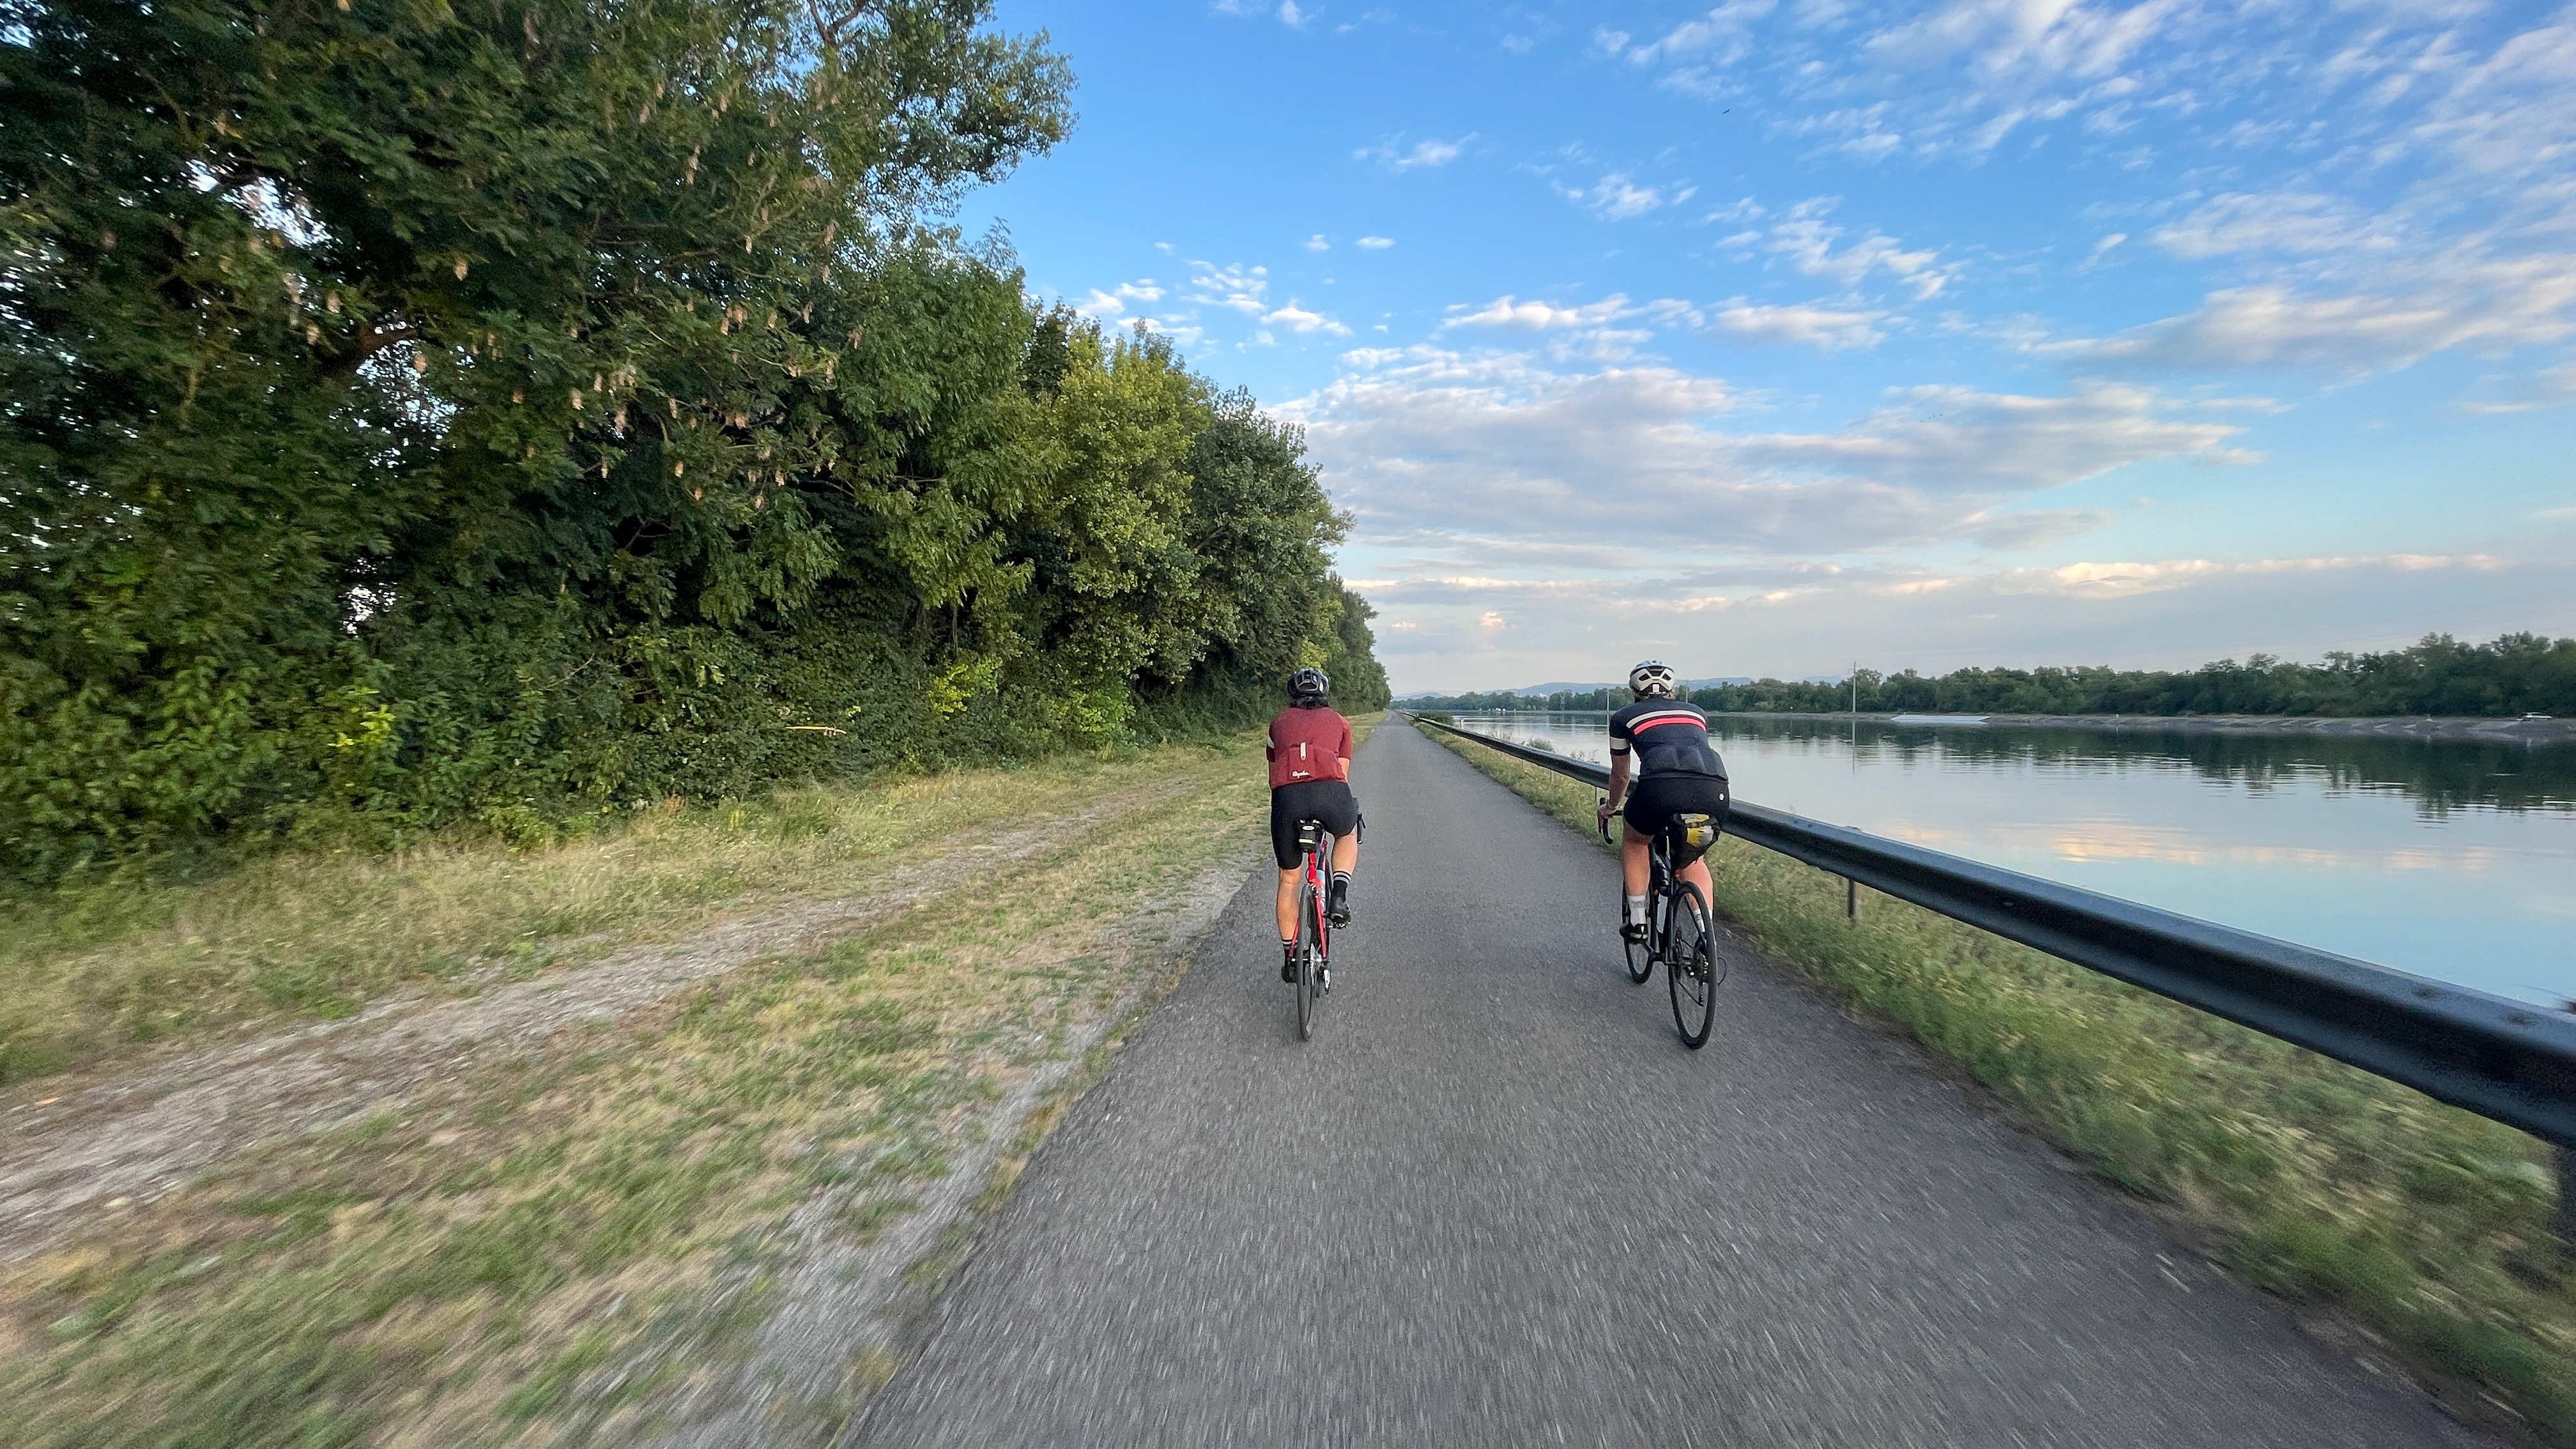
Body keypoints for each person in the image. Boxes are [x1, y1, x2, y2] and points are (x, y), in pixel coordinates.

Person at [1594, 660, 1731, 942]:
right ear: (1672, 691)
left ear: (1634, 691)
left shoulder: (1623, 718)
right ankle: (1707, 939)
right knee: (1693, 859)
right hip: (1714, 788)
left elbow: (1621, 777)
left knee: (1636, 841)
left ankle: (1638, 922)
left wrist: (1610, 807)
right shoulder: (1697, 713)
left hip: (1660, 788)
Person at [1268, 666, 1360, 983]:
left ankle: (1291, 958)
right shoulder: (1341, 723)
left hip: (1287, 800)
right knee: (1347, 832)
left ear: (1292, 695)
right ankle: (1339, 896)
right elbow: (1342, 774)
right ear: (1325, 694)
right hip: (1330, 794)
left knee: (1289, 881)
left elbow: (1273, 773)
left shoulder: (1277, 723)